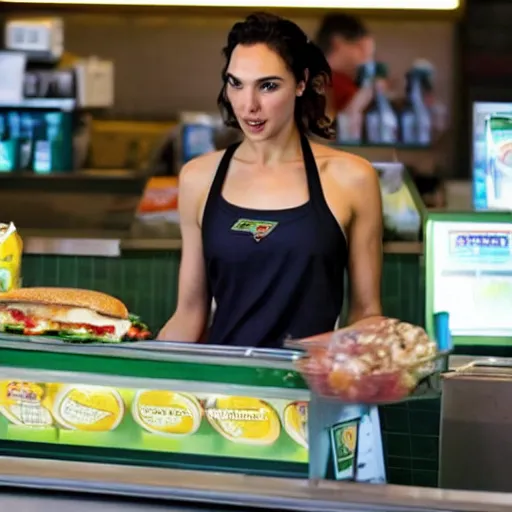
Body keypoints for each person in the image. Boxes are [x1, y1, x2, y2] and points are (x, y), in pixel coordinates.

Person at [157, 12, 383, 347]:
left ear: (301, 83)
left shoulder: (351, 178)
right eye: (236, 84)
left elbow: (366, 313)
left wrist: (385, 350)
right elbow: (189, 315)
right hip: (225, 392)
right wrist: (135, 372)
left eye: (268, 86)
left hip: (309, 391)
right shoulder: (198, 178)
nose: (249, 106)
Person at [315, 13, 375, 115]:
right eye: (361, 49)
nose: (367, 59)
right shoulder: (326, 84)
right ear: (338, 43)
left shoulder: (350, 84)